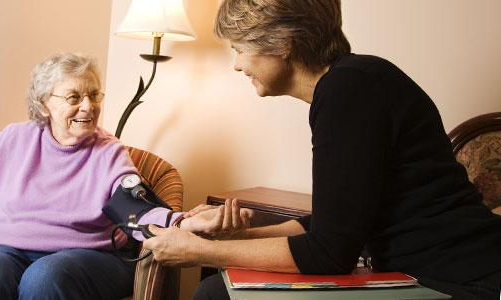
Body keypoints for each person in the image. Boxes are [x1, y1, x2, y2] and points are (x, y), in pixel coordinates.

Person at [141, 1, 501, 300]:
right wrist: (235, 237)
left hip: (463, 278)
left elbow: (329, 253)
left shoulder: (348, 90)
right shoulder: (352, 82)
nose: (237, 64)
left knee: (214, 294)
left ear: (283, 42)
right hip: (443, 269)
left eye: (239, 49)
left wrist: (199, 251)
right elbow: (335, 224)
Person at [0, 52, 251, 300]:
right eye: (73, 97)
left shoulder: (108, 152)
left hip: (85, 256)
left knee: (45, 277)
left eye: (93, 95)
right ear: (44, 104)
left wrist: (185, 221)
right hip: (4, 250)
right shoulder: (13, 140)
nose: (88, 106)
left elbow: (137, 209)